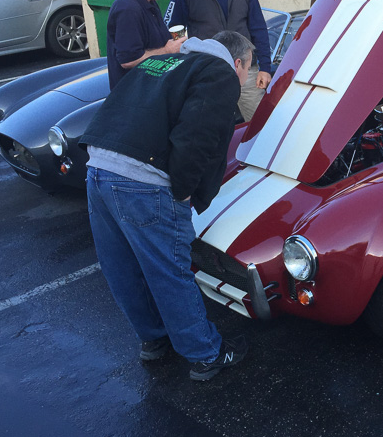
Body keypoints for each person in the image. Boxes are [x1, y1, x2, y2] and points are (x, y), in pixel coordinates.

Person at [81, 30, 254, 381]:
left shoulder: (164, 60)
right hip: (142, 180)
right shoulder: (218, 73)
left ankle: (154, 339)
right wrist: (183, 189)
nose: (246, 78)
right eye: (248, 70)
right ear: (238, 63)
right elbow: (196, 139)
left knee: (123, 266)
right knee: (169, 270)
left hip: (98, 168)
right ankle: (206, 353)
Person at [164, 0, 272, 122]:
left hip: (246, 70)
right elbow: (173, 30)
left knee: (259, 126)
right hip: (208, 72)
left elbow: (258, 27)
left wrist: (265, 66)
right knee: (210, 127)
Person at [106, 0, 184, 89]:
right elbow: (129, 60)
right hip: (135, 98)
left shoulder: (149, 2)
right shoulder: (128, 9)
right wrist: (167, 50)